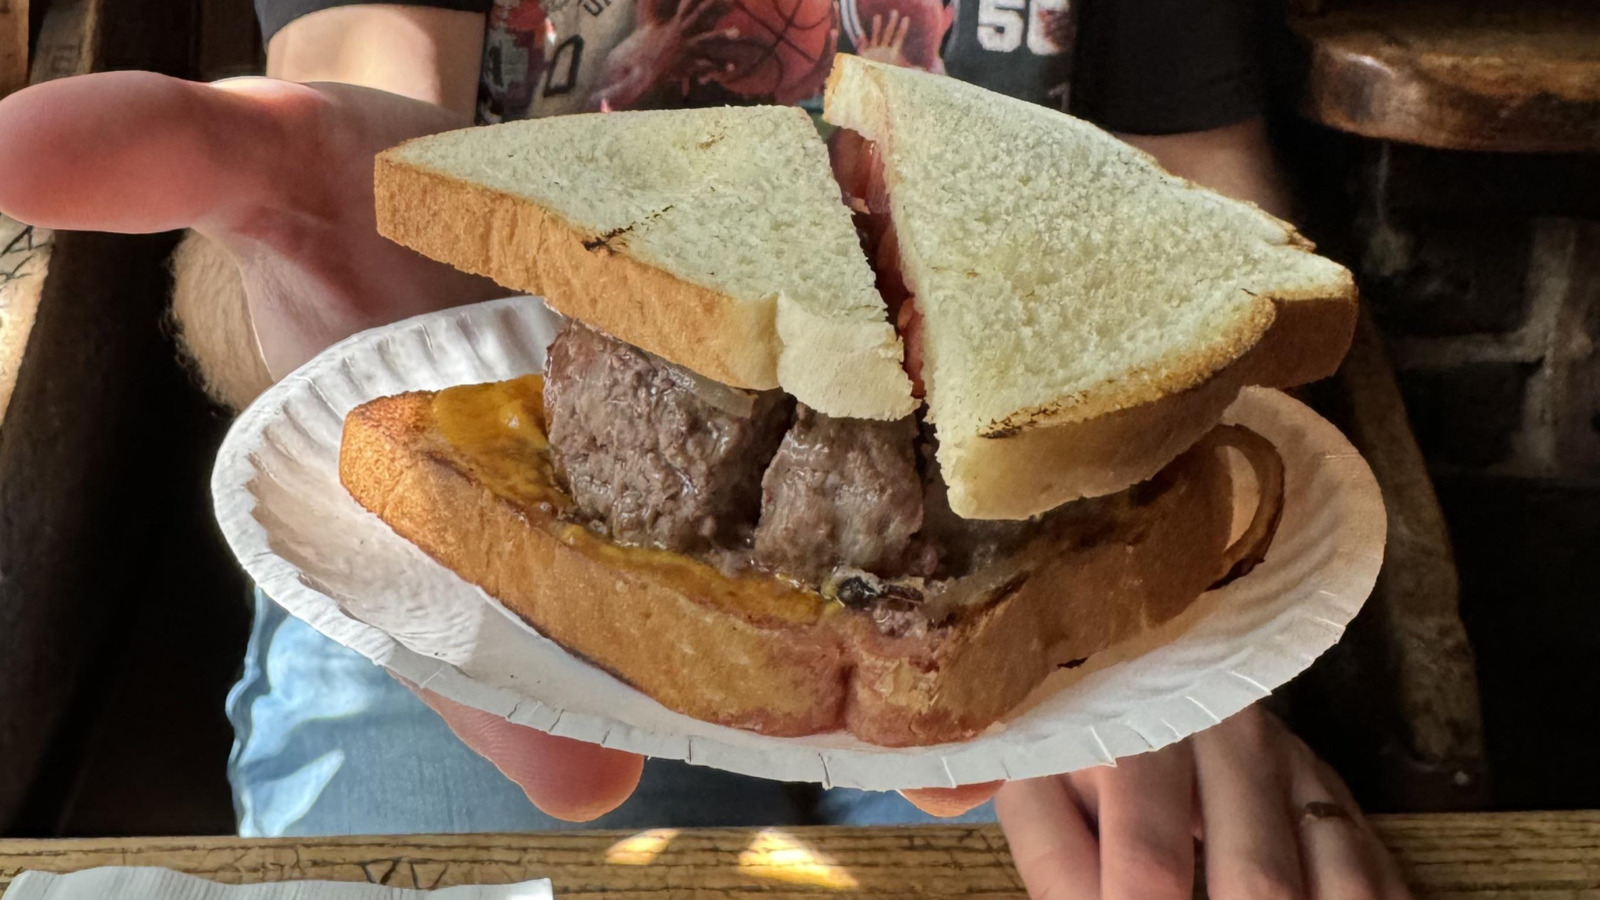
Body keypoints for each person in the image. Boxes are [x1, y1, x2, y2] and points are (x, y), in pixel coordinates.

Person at [0, 0, 1411, 895]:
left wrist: (1168, 612)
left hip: (1023, 593)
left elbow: (1199, 197)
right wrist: (308, 281)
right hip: (476, 586)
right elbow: (358, 95)